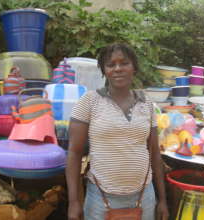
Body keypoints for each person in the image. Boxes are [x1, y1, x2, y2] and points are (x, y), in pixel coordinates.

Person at [66, 43, 169, 220]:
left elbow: (155, 155)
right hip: (100, 199)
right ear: (104, 71)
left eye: (124, 63)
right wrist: (74, 201)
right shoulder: (89, 102)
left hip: (144, 198)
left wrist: (162, 200)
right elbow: (74, 153)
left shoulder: (148, 105)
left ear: (134, 67)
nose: (118, 68)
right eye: (111, 64)